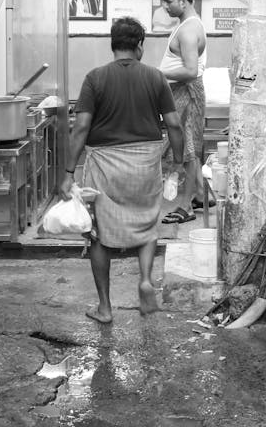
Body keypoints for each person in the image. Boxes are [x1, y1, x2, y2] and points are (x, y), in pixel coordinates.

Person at [60, 16, 184, 322]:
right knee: (147, 223)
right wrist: (178, 162)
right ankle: (144, 280)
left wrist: (67, 172)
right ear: (139, 45)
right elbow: (174, 124)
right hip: (145, 163)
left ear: (112, 44)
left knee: (98, 234)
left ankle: (105, 307)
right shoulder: (155, 78)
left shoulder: (95, 78)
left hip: (105, 165)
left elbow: (81, 127)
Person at [158, 0, 209, 225]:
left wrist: (159, 74)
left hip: (187, 92)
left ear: (184, 1)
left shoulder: (188, 30)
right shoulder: (187, 25)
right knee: (190, 148)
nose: (164, 7)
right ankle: (200, 195)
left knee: (188, 151)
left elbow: (190, 70)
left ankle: (186, 206)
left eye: (168, 2)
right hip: (182, 92)